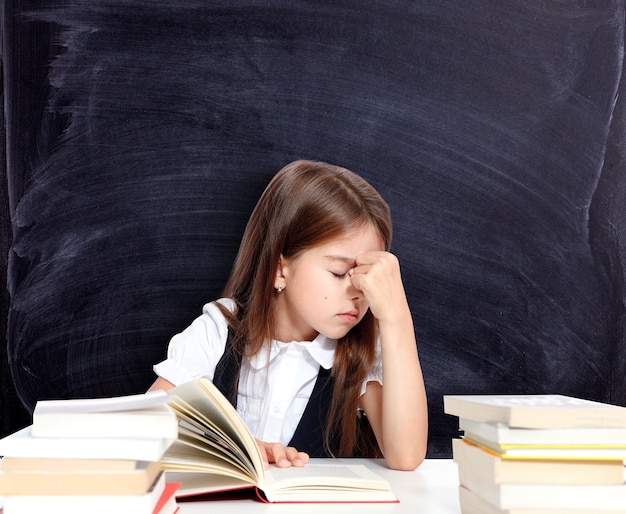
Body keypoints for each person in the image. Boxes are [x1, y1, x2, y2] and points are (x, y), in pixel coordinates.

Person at [149, 160, 428, 471]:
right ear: (280, 268)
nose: (357, 292)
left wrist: (395, 316)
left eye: (365, 277)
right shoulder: (221, 328)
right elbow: (150, 422)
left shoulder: (359, 351)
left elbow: (406, 456)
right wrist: (236, 446)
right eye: (338, 273)